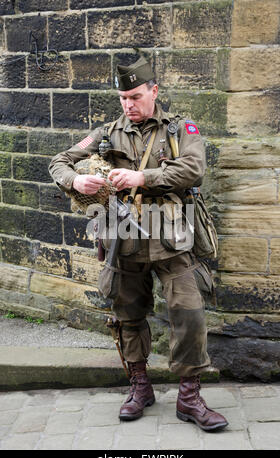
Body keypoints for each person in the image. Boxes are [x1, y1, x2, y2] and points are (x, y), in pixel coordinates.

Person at [49, 56, 228, 432]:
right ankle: (140, 386)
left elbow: (193, 168)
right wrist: (75, 182)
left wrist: (140, 177)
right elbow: (59, 161)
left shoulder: (181, 129)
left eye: (135, 96)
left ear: (154, 91)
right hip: (123, 240)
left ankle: (189, 396)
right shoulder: (107, 132)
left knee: (190, 313)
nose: (129, 105)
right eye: (122, 98)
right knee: (128, 315)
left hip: (172, 240)